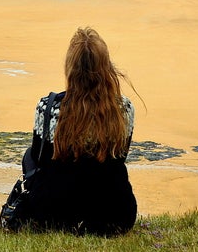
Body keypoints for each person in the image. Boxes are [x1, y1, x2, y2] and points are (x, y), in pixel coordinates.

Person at [17, 27, 138, 235]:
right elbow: (120, 157)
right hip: (114, 214)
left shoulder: (47, 108)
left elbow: (38, 159)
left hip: (54, 216)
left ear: (70, 68)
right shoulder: (123, 109)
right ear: (106, 67)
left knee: (29, 155)